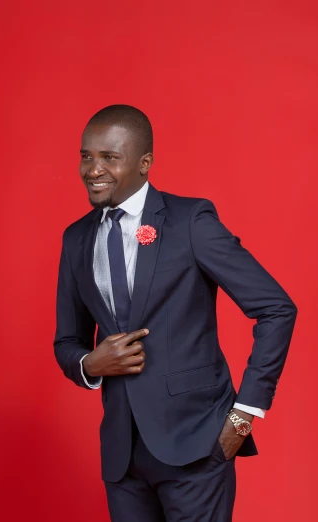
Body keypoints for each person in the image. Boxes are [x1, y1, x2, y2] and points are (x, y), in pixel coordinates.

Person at [53, 104, 297, 521]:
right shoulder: (77, 239)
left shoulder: (189, 221)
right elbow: (68, 342)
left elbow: (276, 308)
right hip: (121, 456)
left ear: (144, 163)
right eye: (85, 156)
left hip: (198, 444)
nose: (93, 169)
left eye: (109, 157)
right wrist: (90, 364)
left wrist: (244, 419)